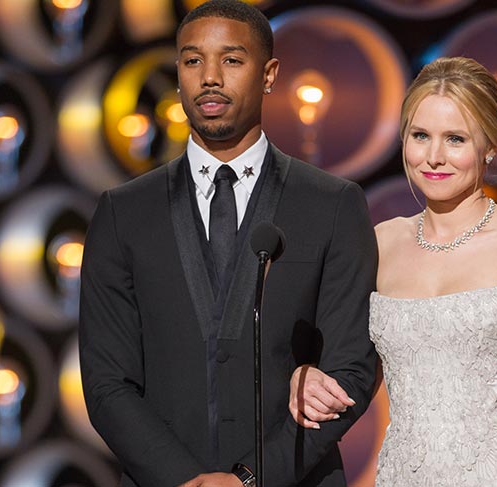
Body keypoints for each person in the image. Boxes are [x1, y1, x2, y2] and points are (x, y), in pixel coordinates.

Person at [78, 1, 378, 486]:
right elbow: (107, 383)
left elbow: (353, 369)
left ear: (269, 73)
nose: (210, 77)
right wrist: (185, 479)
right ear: (177, 74)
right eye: (193, 60)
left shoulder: (332, 204)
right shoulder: (123, 212)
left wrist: (249, 479)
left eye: (232, 60)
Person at [289, 57, 497, 486]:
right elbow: (353, 372)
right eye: (420, 136)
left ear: (490, 145)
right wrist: (304, 375)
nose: (434, 157)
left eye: (455, 139)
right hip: (402, 474)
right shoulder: (380, 243)